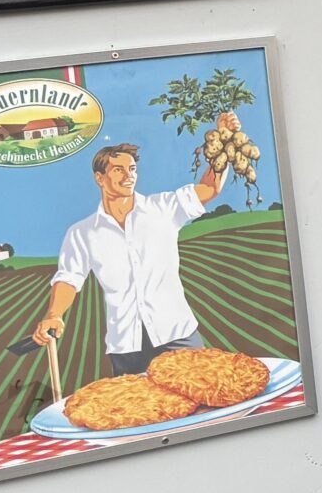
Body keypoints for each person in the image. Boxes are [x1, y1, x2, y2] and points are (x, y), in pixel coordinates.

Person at [31, 119, 240, 376]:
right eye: (118, 170)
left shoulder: (163, 209)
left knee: (200, 394)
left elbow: (209, 187)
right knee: (134, 401)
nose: (129, 175)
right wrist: (54, 314)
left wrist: (225, 136)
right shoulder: (82, 233)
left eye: (132, 169)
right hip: (126, 349)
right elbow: (68, 279)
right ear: (99, 178)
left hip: (177, 335)